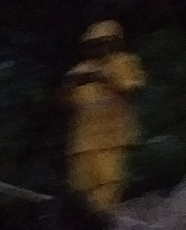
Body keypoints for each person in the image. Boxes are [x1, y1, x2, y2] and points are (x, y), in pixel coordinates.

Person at [61, 21, 145, 214]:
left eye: (106, 42)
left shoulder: (125, 62)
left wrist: (103, 77)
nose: (102, 47)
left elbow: (131, 90)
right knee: (81, 188)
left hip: (112, 139)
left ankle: (103, 221)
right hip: (83, 141)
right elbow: (65, 103)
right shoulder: (81, 69)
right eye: (97, 43)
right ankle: (84, 224)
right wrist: (70, 84)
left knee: (109, 185)